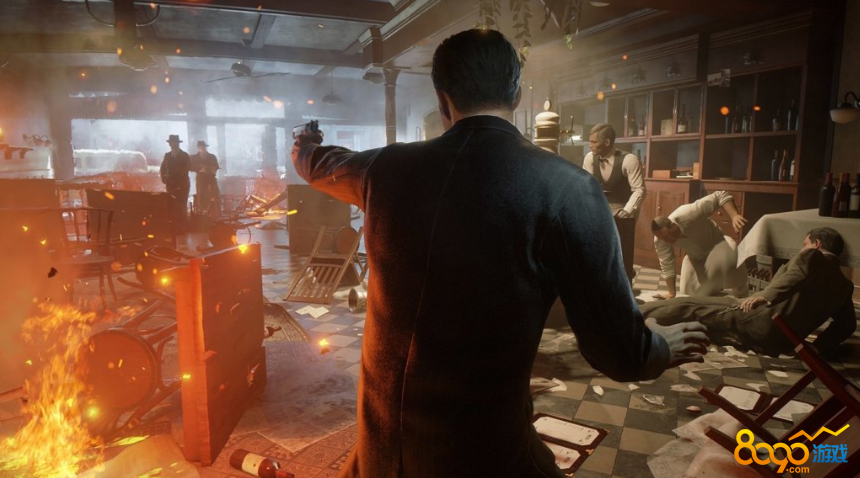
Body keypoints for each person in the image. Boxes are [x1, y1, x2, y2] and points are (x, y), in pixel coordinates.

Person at [291, 29, 709, 478]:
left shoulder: (384, 168)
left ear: (442, 100)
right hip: (483, 453)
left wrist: (305, 143)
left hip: (382, 449)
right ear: (518, 94)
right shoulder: (568, 189)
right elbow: (619, 353)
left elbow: (320, 164)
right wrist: (659, 347)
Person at [641, 228, 855, 357]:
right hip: (781, 342)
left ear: (816, 244)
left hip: (759, 318)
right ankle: (652, 329)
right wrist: (815, 350)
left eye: (805, 244)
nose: (802, 248)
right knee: (705, 321)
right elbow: (847, 325)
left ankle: (634, 314)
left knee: (688, 305)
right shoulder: (845, 286)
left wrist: (764, 296)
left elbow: (795, 276)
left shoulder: (812, 257)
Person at [652, 190, 749, 299]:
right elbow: (667, 265)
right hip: (696, 256)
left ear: (672, 225)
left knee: (731, 256)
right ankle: (713, 289)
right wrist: (671, 293)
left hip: (717, 244)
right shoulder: (660, 240)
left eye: (666, 235)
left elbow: (720, 195)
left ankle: (742, 296)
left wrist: (734, 215)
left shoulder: (688, 213)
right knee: (688, 292)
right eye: (662, 238)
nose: (666, 241)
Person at [581, 123, 645, 219]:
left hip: (623, 208)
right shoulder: (590, 158)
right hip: (600, 208)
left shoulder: (629, 160)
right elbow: (587, 186)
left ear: (607, 142)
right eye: (590, 142)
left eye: (594, 142)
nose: (590, 146)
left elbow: (639, 190)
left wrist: (627, 211)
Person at [160, 134, 190, 232]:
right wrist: (164, 177)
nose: (172, 144)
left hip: (182, 185)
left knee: (181, 206)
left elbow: (184, 170)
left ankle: (181, 228)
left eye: (174, 143)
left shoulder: (184, 156)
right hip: (170, 185)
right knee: (172, 206)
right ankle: (173, 228)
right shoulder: (167, 155)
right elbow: (163, 168)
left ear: (177, 143)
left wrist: (171, 177)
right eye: (171, 143)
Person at [190, 140, 221, 218]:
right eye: (201, 147)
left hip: (211, 178)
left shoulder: (212, 156)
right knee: (201, 195)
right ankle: (201, 213)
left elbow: (216, 166)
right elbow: (191, 167)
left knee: (215, 194)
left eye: (204, 146)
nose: (203, 148)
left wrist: (212, 170)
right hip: (201, 178)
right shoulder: (194, 157)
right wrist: (200, 169)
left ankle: (216, 213)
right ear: (198, 148)